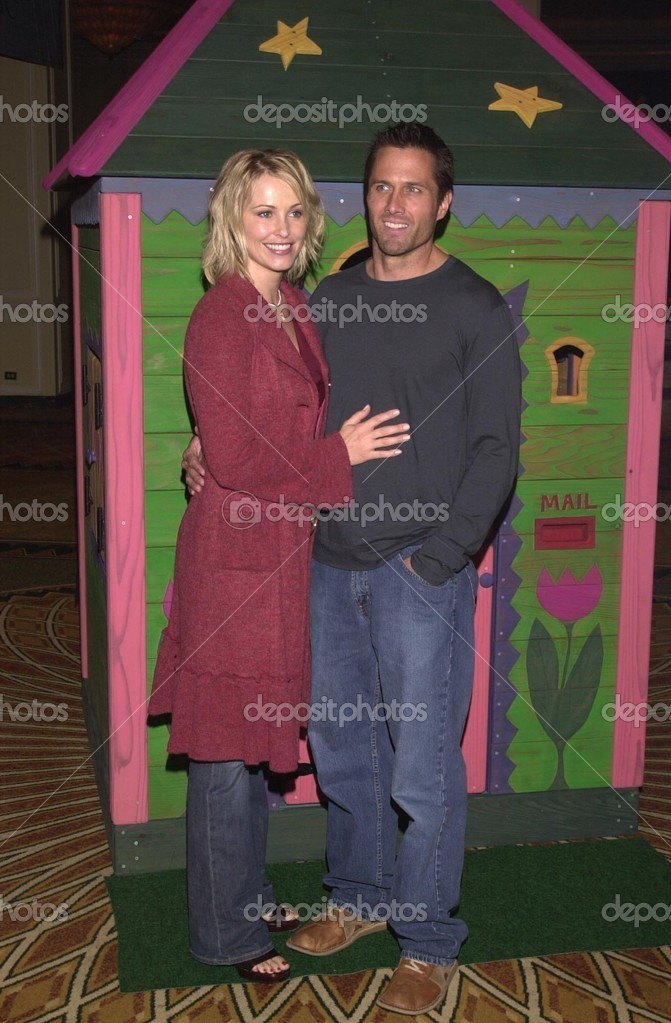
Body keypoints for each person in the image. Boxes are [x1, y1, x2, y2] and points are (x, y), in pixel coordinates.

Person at [183, 124, 521, 1011]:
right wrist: (202, 444)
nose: (394, 204)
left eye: (414, 189)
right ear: (363, 197)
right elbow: (271, 413)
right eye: (380, 187)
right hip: (324, 564)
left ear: (443, 203)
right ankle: (359, 899)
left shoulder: (476, 306)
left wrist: (443, 556)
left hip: (419, 570)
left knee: (421, 770)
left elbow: (497, 451)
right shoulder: (323, 298)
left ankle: (427, 938)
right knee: (343, 753)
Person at [148, 148, 411, 983]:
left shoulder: (291, 303)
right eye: (263, 211)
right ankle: (224, 932)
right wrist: (339, 455)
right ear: (232, 218)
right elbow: (234, 456)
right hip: (234, 558)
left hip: (281, 554)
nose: (282, 228)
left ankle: (247, 893)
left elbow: (251, 432)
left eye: (294, 211)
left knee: (252, 746)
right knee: (226, 751)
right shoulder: (222, 316)